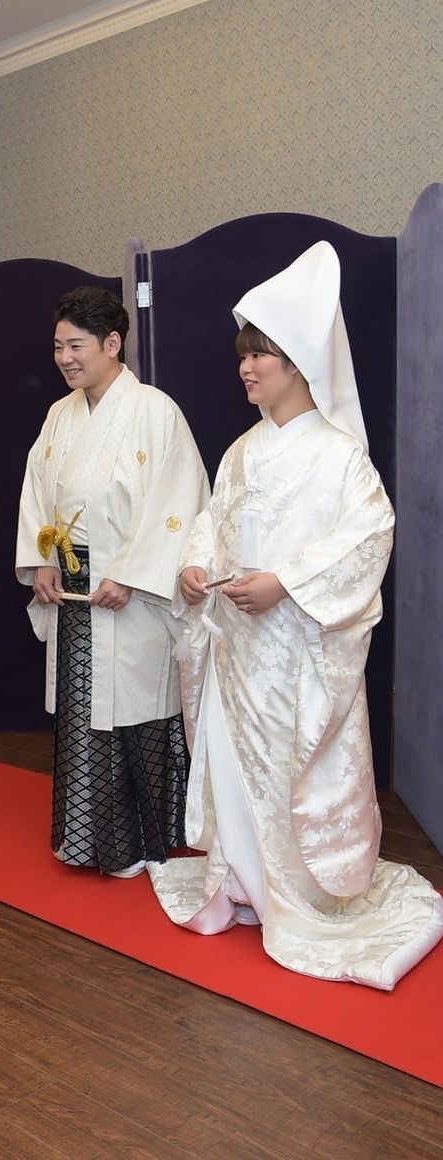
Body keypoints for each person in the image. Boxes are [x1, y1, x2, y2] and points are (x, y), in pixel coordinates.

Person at [148, 241, 443, 989]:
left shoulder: (341, 456)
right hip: (237, 649)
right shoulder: (241, 452)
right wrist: (196, 569)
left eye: (261, 355)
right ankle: (242, 881)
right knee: (236, 768)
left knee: (289, 772)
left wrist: (284, 583)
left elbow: (368, 537)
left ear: (299, 363)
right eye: (244, 356)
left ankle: (297, 892)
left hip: (297, 653)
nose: (246, 368)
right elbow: (213, 524)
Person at [15, 287, 210, 879]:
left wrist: (130, 574)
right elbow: (37, 490)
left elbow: (178, 503)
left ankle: (145, 839)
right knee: (83, 711)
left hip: (133, 592)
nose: (64, 358)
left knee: (136, 708)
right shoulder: (60, 414)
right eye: (58, 346)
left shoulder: (155, 411)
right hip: (76, 590)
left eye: (76, 345)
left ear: (112, 343)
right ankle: (87, 840)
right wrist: (43, 558)